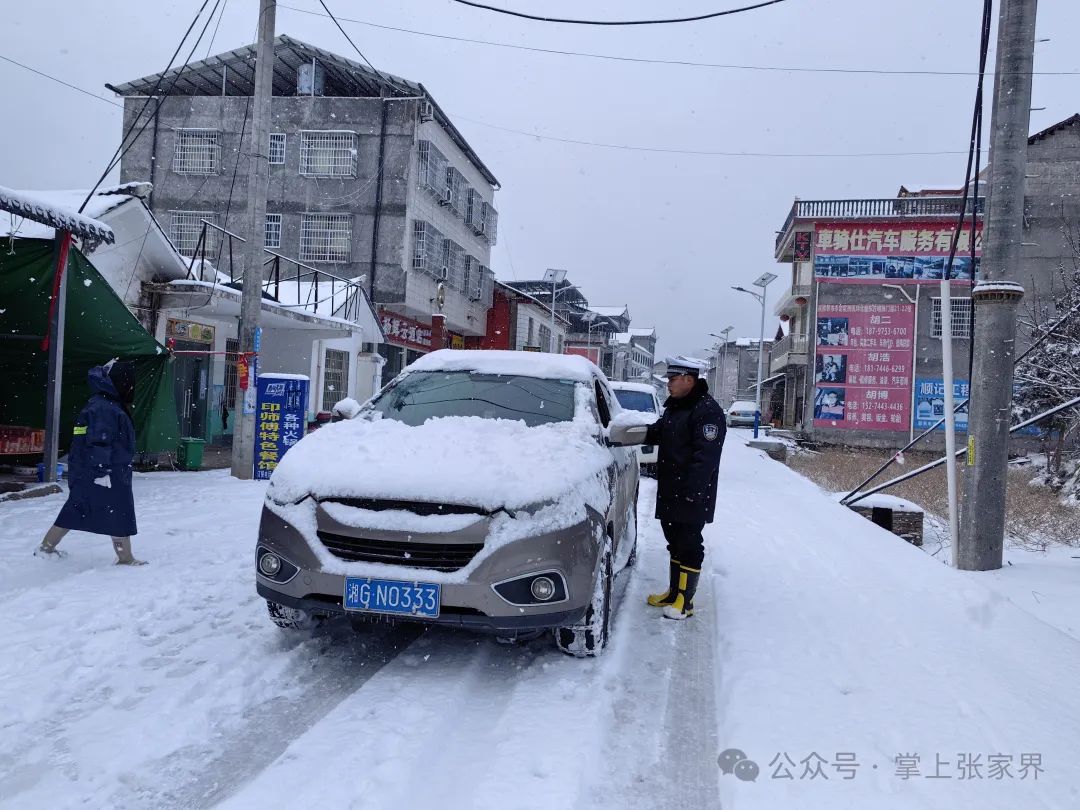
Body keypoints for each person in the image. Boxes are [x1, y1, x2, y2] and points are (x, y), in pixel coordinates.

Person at [35, 359, 147, 565]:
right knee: (117, 511)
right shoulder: (105, 407)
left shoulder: (104, 403)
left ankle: (46, 547)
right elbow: (99, 441)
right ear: (119, 382)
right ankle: (125, 558)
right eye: (129, 382)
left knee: (78, 508)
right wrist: (102, 472)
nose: (131, 387)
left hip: (97, 470)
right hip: (103, 472)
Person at [641, 357, 726, 620]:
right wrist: (628, 433)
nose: (668, 384)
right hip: (670, 489)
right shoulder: (677, 407)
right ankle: (673, 591)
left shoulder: (706, 410)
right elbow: (659, 431)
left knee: (689, 543)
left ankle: (685, 602)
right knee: (674, 542)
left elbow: (706, 456)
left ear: (689, 380)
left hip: (690, 492)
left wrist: (693, 490)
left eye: (672, 379)